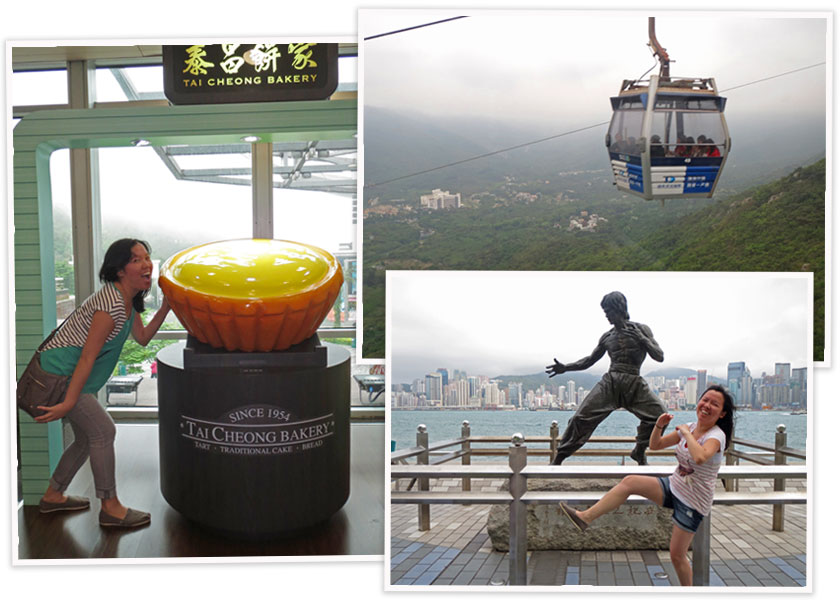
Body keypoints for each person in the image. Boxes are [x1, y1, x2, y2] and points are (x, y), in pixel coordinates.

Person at [35, 238, 171, 528]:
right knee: (103, 431)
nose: (146, 264)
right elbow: (87, 357)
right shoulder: (110, 305)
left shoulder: (128, 300)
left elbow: (143, 338)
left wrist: (167, 307)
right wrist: (69, 401)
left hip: (71, 376)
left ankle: (53, 496)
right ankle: (110, 507)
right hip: (60, 375)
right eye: (136, 260)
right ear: (119, 270)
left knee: (86, 438)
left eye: (147, 258)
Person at [559, 385, 735, 586]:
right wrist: (659, 426)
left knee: (677, 556)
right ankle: (585, 517)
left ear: (722, 413)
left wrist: (686, 434)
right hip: (674, 486)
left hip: (693, 501)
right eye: (705, 400)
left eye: (714, 404)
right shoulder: (691, 427)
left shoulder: (716, 435)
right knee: (630, 482)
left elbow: (701, 457)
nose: (707, 405)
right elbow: (656, 445)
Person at [546, 292, 665, 465]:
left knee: (660, 415)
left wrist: (641, 338)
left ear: (619, 309)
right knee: (580, 418)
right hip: (611, 383)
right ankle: (558, 459)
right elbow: (589, 360)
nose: (606, 315)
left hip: (634, 382)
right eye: (605, 311)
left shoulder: (642, 329)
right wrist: (566, 368)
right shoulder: (607, 337)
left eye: (609, 311)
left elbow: (659, 356)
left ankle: (639, 451)